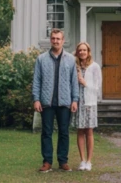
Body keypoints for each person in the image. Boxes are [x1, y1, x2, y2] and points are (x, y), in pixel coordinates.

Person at [32, 28, 79, 172]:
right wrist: (36, 99)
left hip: (65, 102)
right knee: (46, 132)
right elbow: (36, 80)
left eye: (58, 39)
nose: (56, 41)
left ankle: (63, 161)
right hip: (47, 102)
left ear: (63, 41)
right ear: (50, 40)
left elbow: (74, 81)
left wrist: (75, 99)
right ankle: (47, 162)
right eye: (53, 38)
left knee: (64, 132)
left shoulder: (70, 60)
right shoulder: (41, 59)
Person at [74, 42, 102, 171]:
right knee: (80, 130)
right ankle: (82, 160)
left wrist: (85, 83)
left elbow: (97, 87)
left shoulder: (94, 67)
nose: (82, 52)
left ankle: (89, 161)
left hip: (90, 103)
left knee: (89, 131)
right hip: (78, 102)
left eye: (84, 50)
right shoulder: (75, 67)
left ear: (88, 51)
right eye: (80, 50)